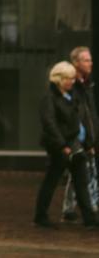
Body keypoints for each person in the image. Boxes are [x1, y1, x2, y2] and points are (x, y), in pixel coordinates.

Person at [34, 61, 98, 229]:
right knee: (51, 181)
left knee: (81, 182)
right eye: (68, 78)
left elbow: (81, 121)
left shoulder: (72, 96)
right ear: (58, 79)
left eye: (72, 78)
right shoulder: (49, 99)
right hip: (60, 148)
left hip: (75, 145)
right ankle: (40, 216)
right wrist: (62, 145)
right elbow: (49, 124)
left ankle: (89, 219)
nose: (71, 81)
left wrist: (87, 143)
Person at [62, 47, 99, 221]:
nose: (90, 63)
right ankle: (89, 206)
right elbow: (76, 115)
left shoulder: (87, 85)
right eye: (86, 60)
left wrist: (94, 136)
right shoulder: (72, 86)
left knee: (82, 171)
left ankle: (71, 208)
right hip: (78, 137)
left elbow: (90, 113)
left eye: (90, 60)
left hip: (87, 135)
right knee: (82, 171)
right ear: (76, 63)